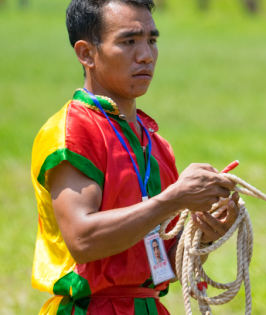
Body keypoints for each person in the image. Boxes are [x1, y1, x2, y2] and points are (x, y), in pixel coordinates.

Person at [30, 0, 239, 314]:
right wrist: (173, 199)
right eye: (128, 41)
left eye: (151, 41)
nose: (146, 55)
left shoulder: (155, 143)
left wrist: (204, 232)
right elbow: (83, 240)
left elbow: (166, 265)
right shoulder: (72, 132)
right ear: (86, 53)